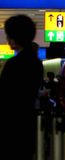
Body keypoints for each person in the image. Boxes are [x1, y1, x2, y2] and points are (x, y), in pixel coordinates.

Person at [0, 15, 43, 160]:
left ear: (14, 36)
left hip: (11, 124)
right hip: (28, 121)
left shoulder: (14, 64)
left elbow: (5, 95)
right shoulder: (36, 62)